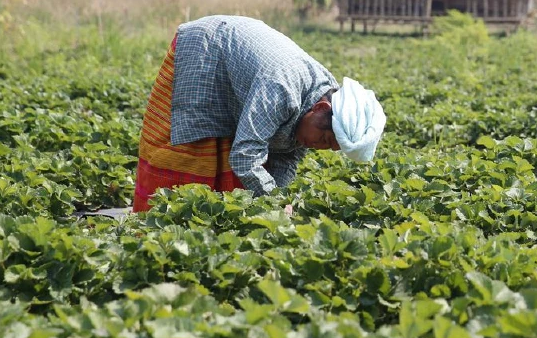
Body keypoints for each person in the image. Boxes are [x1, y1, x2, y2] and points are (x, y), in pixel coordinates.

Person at [132, 15, 385, 213]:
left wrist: (277, 199)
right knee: (187, 149)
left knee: (239, 165)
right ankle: (155, 224)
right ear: (321, 108)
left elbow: (287, 157)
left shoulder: (321, 97)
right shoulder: (282, 89)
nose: (319, 146)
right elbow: (244, 156)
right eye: (325, 139)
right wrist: (273, 202)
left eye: (329, 148)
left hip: (240, 69)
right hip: (204, 50)